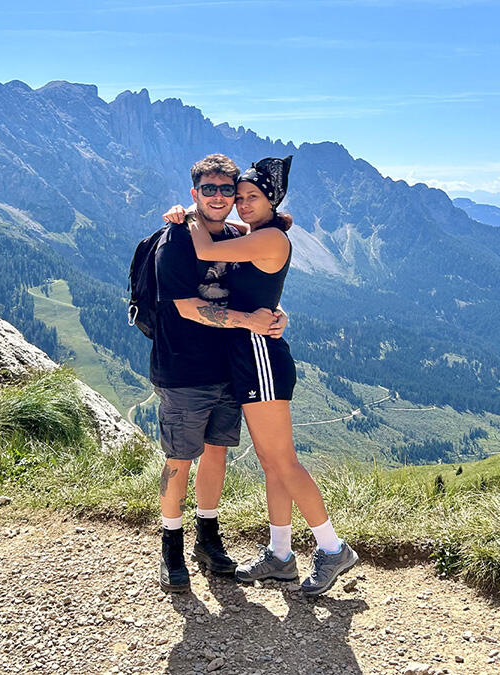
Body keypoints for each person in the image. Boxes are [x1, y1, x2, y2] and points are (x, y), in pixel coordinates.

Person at [163, 156, 358, 596]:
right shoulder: (252, 236)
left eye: (251, 196)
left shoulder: (268, 237)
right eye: (240, 195)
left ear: (271, 202)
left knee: (282, 461)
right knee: (272, 465)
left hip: (260, 357)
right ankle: (281, 556)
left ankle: (331, 547)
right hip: (246, 356)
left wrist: (187, 212)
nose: (242, 204)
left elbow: (206, 251)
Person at [152, 153, 287, 593]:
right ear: (195, 193)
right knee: (178, 460)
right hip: (182, 368)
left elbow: (257, 284)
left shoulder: (236, 234)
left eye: (226, 190)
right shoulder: (175, 239)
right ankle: (171, 544)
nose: (218, 197)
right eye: (207, 189)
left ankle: (207, 537)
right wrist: (249, 322)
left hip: (227, 367)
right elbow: (188, 308)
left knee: (216, 454)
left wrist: (275, 314)